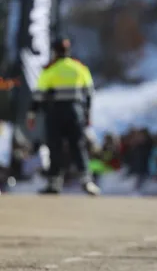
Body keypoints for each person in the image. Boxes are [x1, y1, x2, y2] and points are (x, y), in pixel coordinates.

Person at [26, 38, 101, 196]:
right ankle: (86, 181)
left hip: (55, 113)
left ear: (55, 52)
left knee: (55, 147)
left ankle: (54, 183)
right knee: (78, 146)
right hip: (76, 112)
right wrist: (87, 114)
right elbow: (89, 94)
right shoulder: (79, 68)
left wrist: (32, 114)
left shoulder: (50, 70)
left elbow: (38, 95)